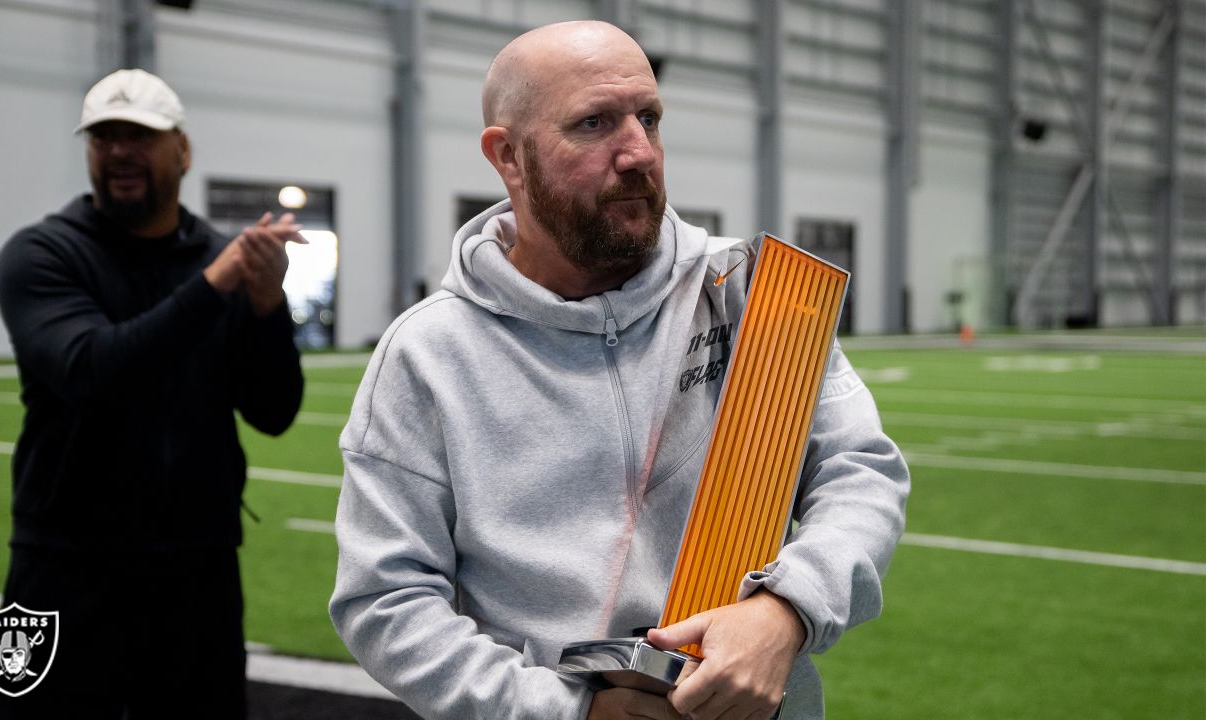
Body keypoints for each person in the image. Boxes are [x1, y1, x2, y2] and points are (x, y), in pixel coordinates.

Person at [329, 20, 908, 720]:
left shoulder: (750, 293)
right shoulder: (428, 355)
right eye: (595, 123)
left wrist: (785, 609)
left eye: (650, 118)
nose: (638, 152)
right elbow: (386, 601)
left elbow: (860, 471)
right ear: (509, 157)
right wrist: (566, 710)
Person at [0, 68, 305, 718]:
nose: (120, 152)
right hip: (65, 564)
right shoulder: (42, 254)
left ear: (182, 150)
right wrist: (215, 286)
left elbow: (273, 411)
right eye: (104, 136)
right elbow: (92, 370)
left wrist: (268, 304)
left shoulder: (222, 260)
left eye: (140, 135)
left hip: (198, 566)